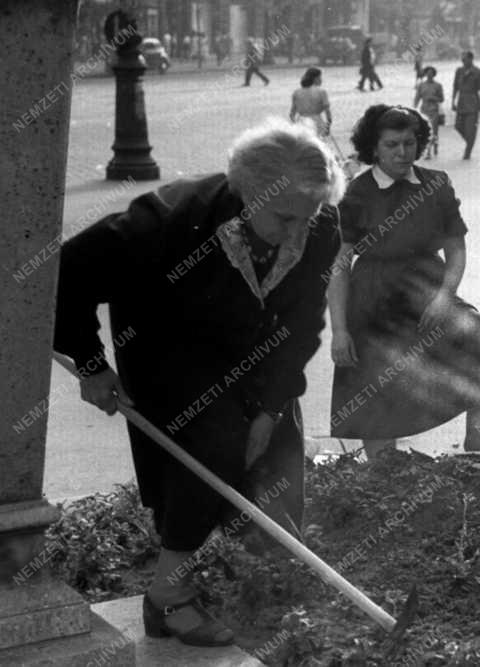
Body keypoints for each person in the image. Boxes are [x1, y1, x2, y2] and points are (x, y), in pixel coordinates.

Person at [54, 119, 342, 646]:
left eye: (312, 216)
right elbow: (67, 272)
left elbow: (303, 324)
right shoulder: (167, 221)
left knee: (276, 457)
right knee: (210, 453)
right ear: (249, 191)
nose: (301, 231)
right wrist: (91, 365)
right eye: (286, 217)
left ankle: (263, 576)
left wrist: (271, 408)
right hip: (172, 350)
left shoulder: (317, 222)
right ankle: (168, 599)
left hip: (256, 351)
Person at [328, 105, 480, 460]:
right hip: (373, 297)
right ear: (374, 147)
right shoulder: (356, 193)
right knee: (378, 387)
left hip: (427, 288)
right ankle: (382, 470)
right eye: (392, 145)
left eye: (409, 143)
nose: (402, 153)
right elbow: (339, 265)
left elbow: (456, 249)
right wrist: (339, 329)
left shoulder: (436, 184)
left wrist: (445, 296)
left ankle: (477, 434)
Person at [452, 51, 480, 159]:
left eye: (465, 59)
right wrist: (453, 101)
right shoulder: (459, 71)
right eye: (462, 60)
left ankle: (468, 153)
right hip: (461, 101)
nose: (463, 62)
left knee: (471, 129)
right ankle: (470, 143)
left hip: (473, 103)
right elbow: (455, 87)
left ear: (471, 59)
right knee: (458, 126)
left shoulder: (478, 72)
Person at [290, 67, 333, 138]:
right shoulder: (322, 92)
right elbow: (328, 114)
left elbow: (292, 115)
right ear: (315, 78)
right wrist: (328, 127)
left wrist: (296, 126)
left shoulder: (296, 92)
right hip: (317, 122)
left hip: (301, 122)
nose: (321, 80)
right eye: (320, 77)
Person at [414, 65, 444, 159]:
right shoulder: (421, 85)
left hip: (434, 111)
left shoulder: (438, 85)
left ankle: (434, 147)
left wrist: (433, 98)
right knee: (425, 131)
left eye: (431, 73)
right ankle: (427, 152)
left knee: (434, 131)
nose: (429, 75)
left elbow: (442, 99)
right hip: (424, 111)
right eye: (428, 73)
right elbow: (417, 97)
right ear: (426, 74)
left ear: (434, 75)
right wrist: (414, 108)